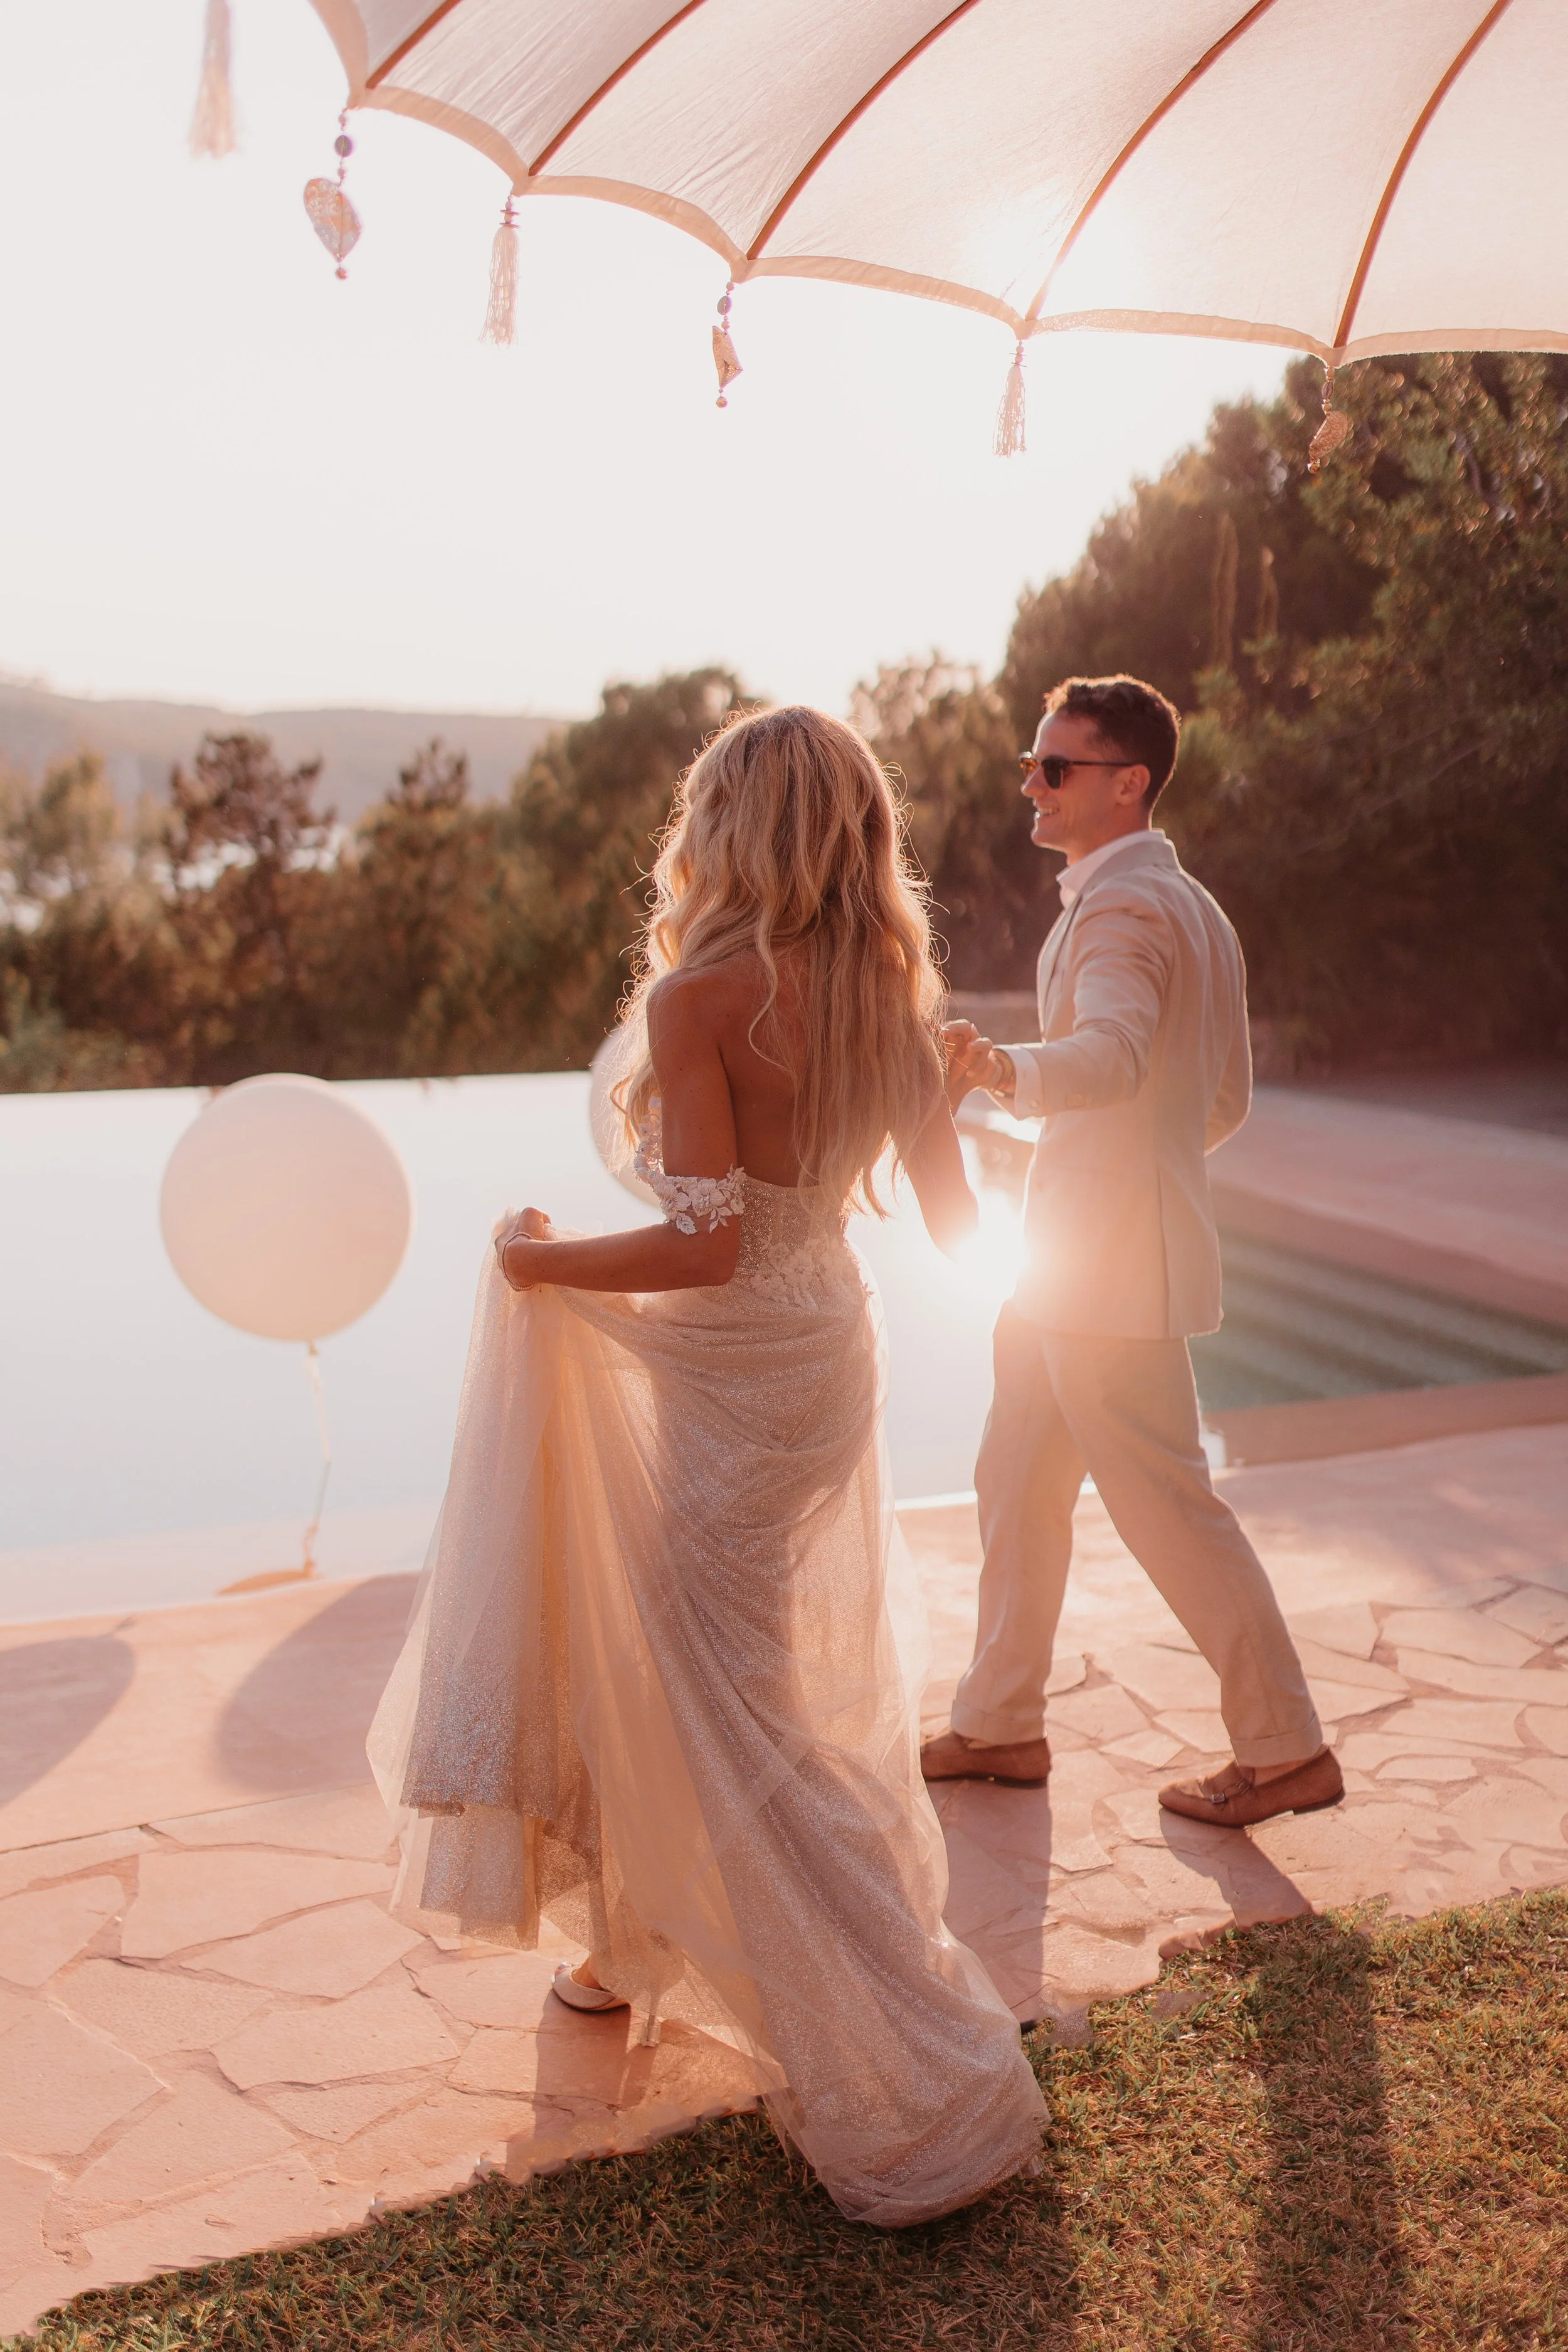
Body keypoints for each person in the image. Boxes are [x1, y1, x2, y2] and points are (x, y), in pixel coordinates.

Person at [368, 706, 1046, 2228]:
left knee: (725, 1699)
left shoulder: (700, 999)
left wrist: (539, 1266)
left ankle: (913, 2044)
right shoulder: (895, 998)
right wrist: (963, 1104)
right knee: (717, 1673)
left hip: (734, 1361)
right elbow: (951, 1234)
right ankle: (625, 1949)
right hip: (829, 1363)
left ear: (728, 827)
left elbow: (708, 1240)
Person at [925, 674, 1341, 1831]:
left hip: (1103, 1277)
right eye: (1033, 762)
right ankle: (1000, 1721)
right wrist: (1126, 1167)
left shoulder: (1122, 912)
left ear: (1129, 783)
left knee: (1166, 1506)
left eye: (1055, 767)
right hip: (1070, 1263)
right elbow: (1220, 1100)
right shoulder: (1190, 904)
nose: (1033, 784)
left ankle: (1286, 1745)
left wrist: (1003, 1070)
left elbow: (1106, 1056)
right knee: (1015, 1477)